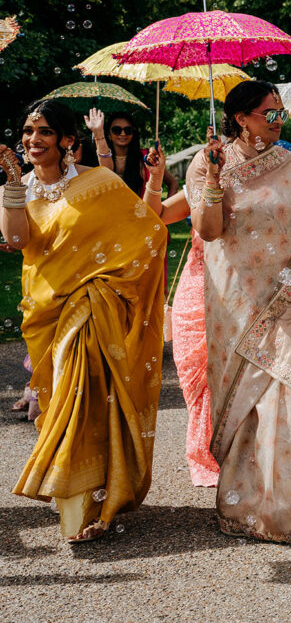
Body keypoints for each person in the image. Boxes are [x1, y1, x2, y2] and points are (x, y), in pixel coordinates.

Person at [1, 99, 167, 542]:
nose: (33, 139)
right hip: (43, 308)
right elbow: (16, 239)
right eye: (28, 131)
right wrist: (13, 185)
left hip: (92, 306)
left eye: (44, 131)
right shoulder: (17, 189)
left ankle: (88, 505)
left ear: (67, 140)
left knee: (89, 395)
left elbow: (149, 232)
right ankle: (79, 491)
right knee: (58, 399)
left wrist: (111, 287)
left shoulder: (99, 182)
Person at [191, 80, 291, 543]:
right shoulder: (210, 161)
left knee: (287, 395)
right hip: (236, 302)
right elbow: (208, 231)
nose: (279, 121)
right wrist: (214, 180)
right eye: (270, 113)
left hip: (290, 298)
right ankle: (242, 507)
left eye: (281, 113)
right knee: (246, 405)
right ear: (241, 118)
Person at [139, 142, 220, 487]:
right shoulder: (200, 182)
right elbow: (153, 215)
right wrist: (156, 178)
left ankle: (237, 452)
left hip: (239, 286)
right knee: (194, 372)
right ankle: (204, 452)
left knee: (230, 374)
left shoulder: (258, 182)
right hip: (197, 284)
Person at [84, 108, 177, 198]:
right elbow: (106, 173)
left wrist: (166, 206)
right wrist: (98, 133)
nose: (123, 134)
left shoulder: (146, 156)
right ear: (109, 134)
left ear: (133, 133)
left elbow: (173, 183)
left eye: (128, 130)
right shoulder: (99, 157)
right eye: (116, 130)